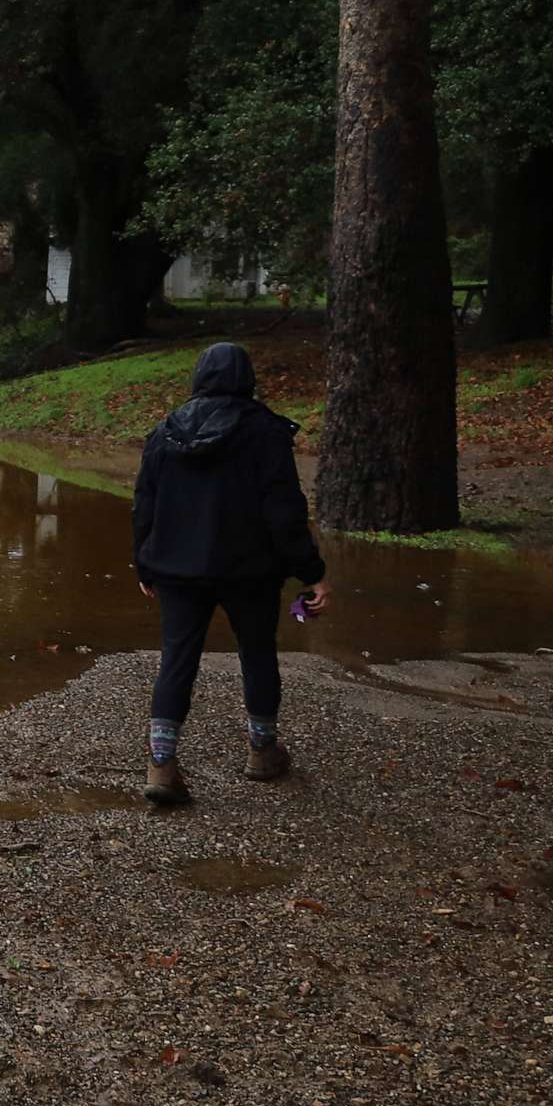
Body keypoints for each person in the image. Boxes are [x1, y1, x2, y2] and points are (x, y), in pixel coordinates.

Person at [129, 341, 329, 806]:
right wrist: (311, 572)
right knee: (258, 654)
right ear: (247, 378)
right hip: (251, 570)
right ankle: (262, 752)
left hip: (177, 569)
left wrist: (145, 562)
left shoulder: (165, 432)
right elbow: (284, 510)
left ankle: (162, 764)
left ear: (198, 376)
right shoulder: (265, 432)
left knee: (177, 659)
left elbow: (145, 503)